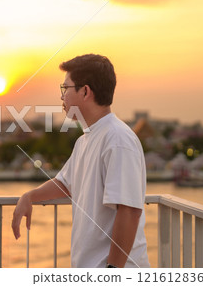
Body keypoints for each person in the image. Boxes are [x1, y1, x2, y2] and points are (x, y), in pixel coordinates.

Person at [11, 54, 150, 268]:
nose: (61, 97)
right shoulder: (85, 140)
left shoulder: (118, 139)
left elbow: (130, 211)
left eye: (65, 89)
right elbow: (65, 183)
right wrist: (30, 196)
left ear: (85, 91)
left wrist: (112, 272)